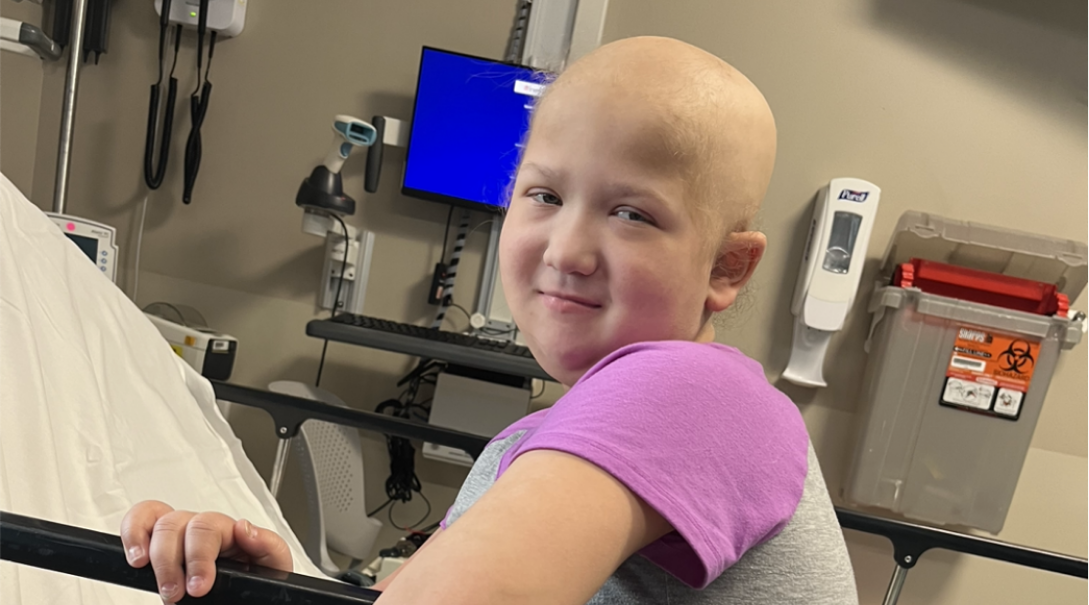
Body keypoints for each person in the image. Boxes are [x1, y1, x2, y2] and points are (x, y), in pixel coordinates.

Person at [121, 36, 857, 604]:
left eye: (631, 214)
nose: (567, 250)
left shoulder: (693, 389)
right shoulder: (532, 439)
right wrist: (276, 588)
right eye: (543, 195)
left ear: (726, 267)